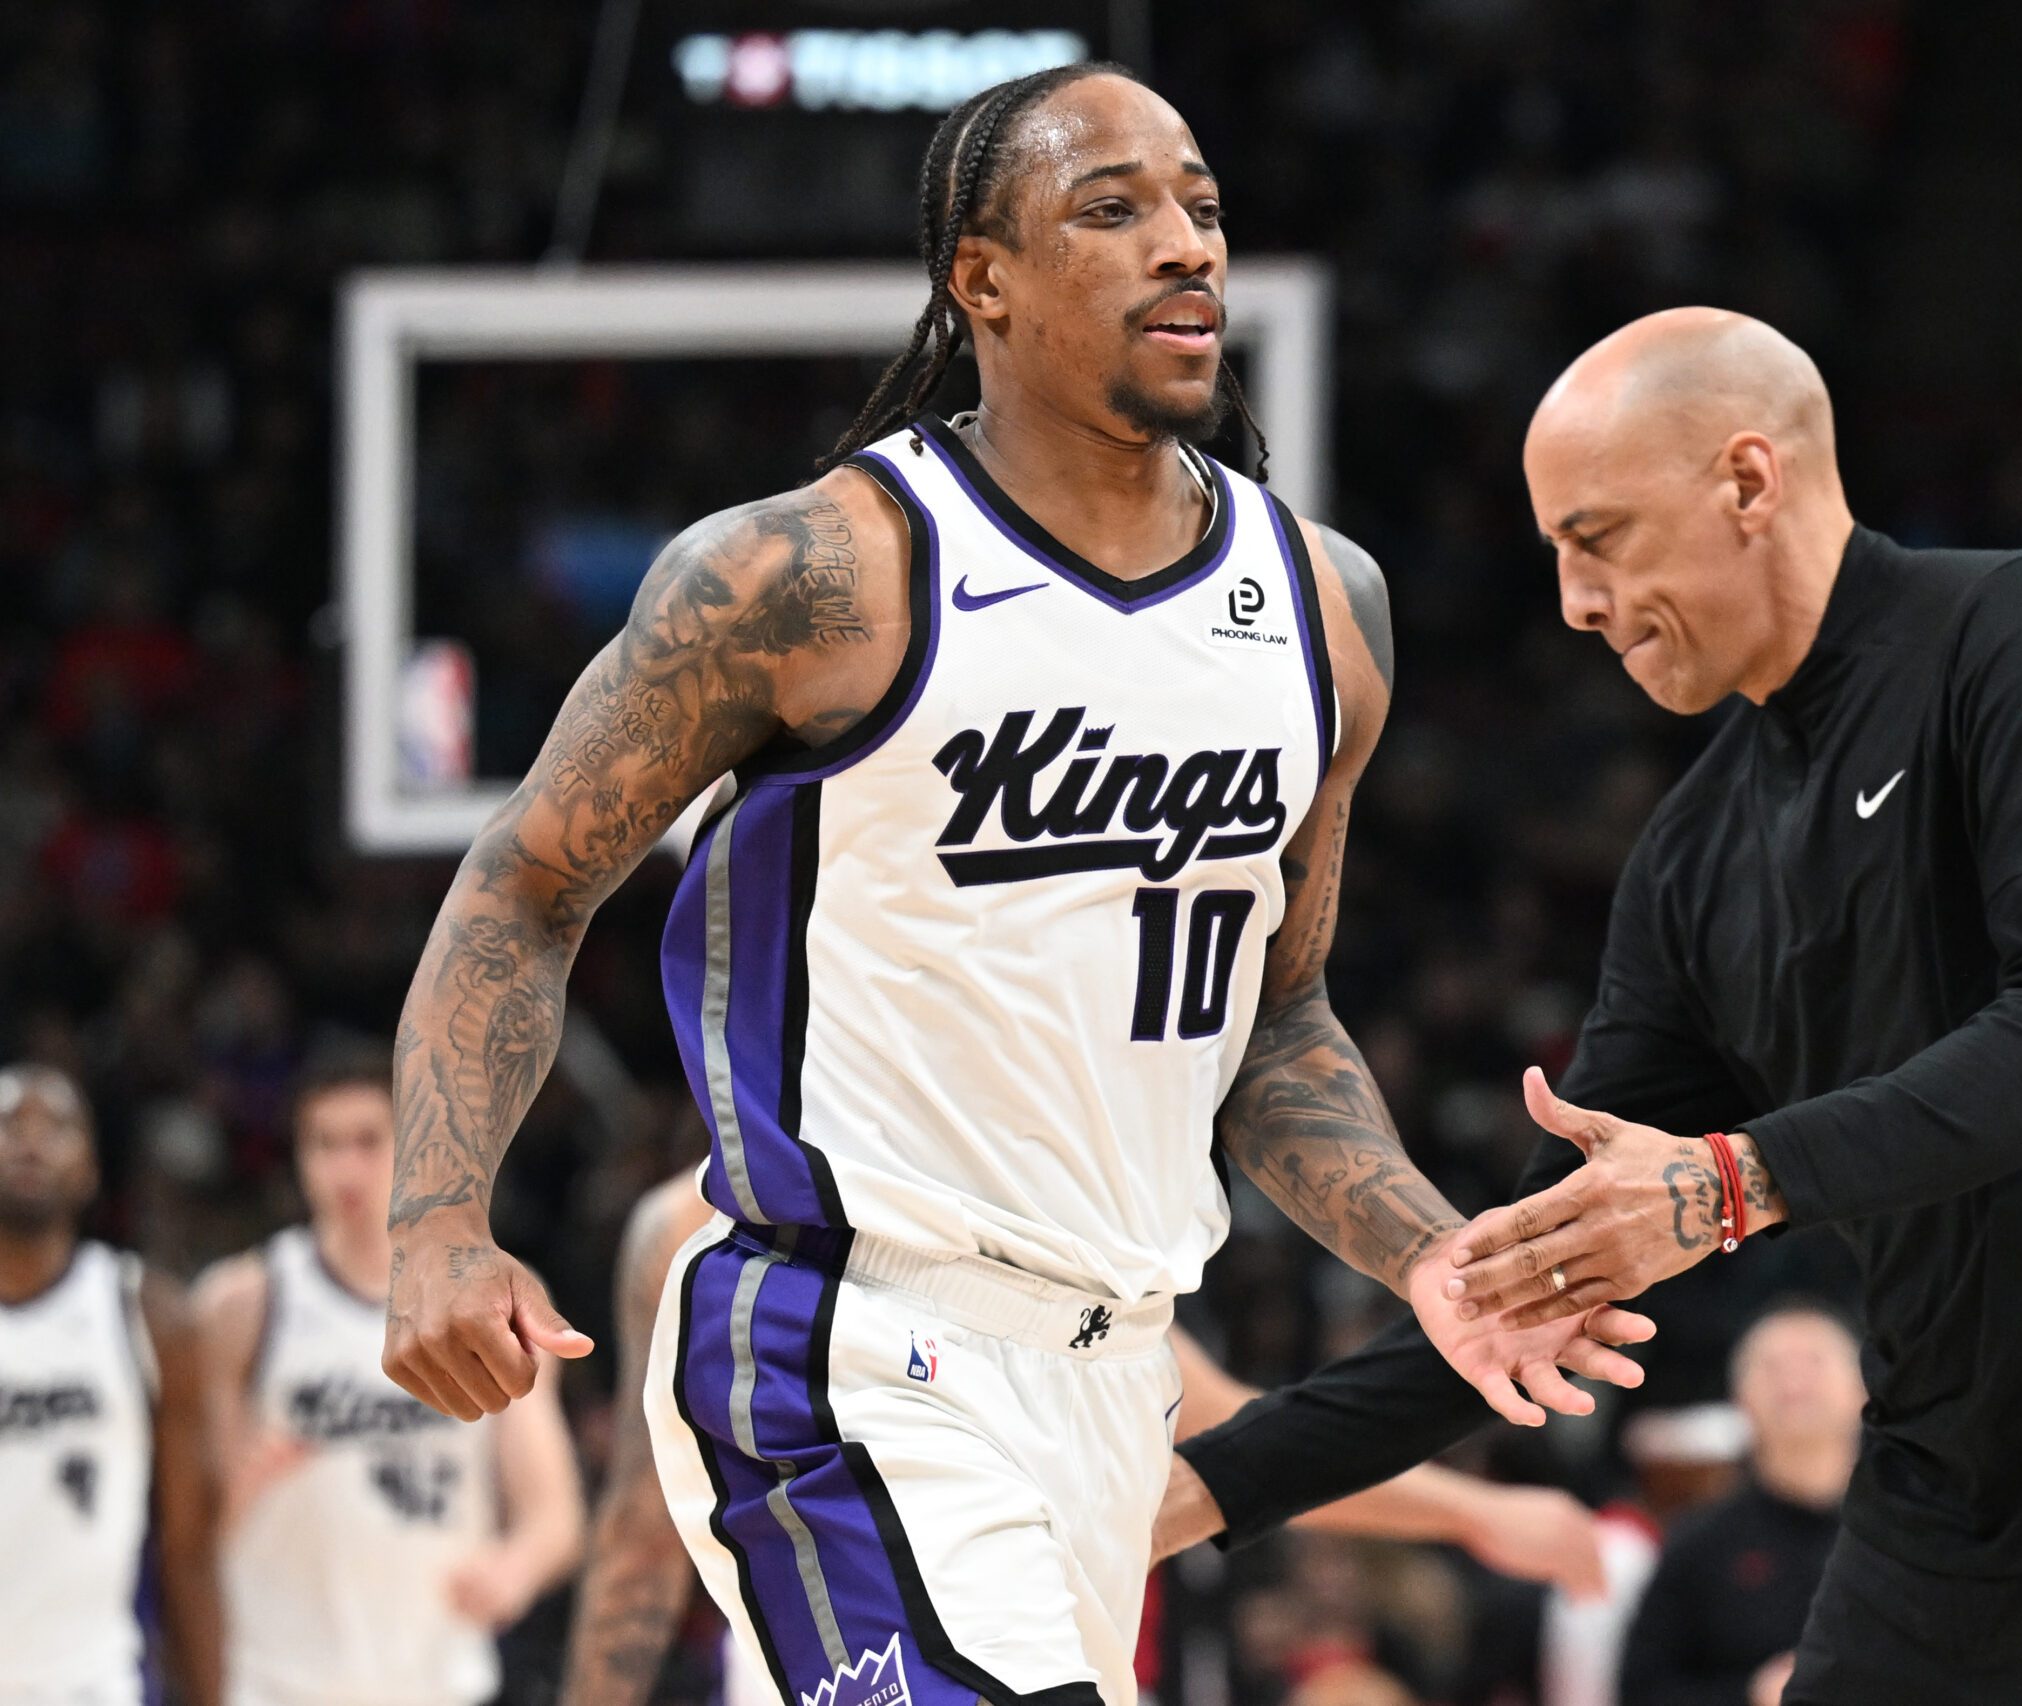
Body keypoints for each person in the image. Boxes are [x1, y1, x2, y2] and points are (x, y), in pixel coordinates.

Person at [376, 61, 1648, 1706]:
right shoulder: (814, 572)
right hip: (847, 1350)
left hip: (1117, 1380)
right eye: (1111, 211)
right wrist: (436, 1222)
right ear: (980, 277)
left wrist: (1430, 1254)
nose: (1183, 245)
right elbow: (525, 887)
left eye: (1198, 205)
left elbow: (1275, 1019)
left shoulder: (1324, 607)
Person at [1163, 307, 2022, 1705]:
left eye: (1597, 536)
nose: (1570, 600)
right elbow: (1524, 1282)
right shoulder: (1690, 858)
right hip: (1942, 1506)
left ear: (1748, 480)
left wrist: (1733, 1181)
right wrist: (1188, 1496)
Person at [557, 1173, 1607, 1705]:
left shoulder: (1044, 1214)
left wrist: (1478, 1512)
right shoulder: (694, 1237)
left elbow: (1230, 1439)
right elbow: (643, 1530)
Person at [192, 1041, 582, 1706]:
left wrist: (513, 1571)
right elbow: (187, 1523)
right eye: (324, 1144)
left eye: (368, 1141)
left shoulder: (480, 1299)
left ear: (413, 1149)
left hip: (439, 1678)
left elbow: (555, 1514)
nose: (345, 1167)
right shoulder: (240, 1303)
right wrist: (236, 1484)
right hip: (275, 1681)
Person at [0, 1063, 222, 1706]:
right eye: (10, 1123)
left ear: (91, 1169)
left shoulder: (147, 1314)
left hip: (93, 1685)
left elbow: (188, 1545)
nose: (31, 1140)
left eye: (57, 1127)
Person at [1618, 1304, 1864, 1706]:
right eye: (1771, 1366)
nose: (1794, 1380)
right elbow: (1640, 1691)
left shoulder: (1918, 1534)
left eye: (1814, 1361)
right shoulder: (1696, 1547)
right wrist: (1750, 1695)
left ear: (1864, 1388)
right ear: (1740, 1399)